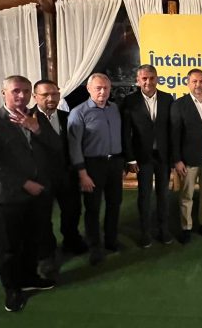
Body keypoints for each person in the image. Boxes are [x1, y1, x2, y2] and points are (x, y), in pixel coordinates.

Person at [0, 75, 60, 312]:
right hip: (8, 197)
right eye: (15, 91)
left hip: (38, 194)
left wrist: (36, 129)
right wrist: (24, 183)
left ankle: (30, 277)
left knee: (33, 240)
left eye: (25, 91)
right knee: (9, 247)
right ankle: (12, 289)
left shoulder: (36, 117)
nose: (21, 96)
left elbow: (56, 146)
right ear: (4, 93)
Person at [31, 80, 87, 275]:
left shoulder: (67, 116)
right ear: (35, 96)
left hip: (67, 175)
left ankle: (71, 240)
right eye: (45, 94)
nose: (50, 98)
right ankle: (47, 254)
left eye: (54, 94)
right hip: (40, 178)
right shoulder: (26, 119)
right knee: (42, 218)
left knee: (72, 211)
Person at [67, 73, 123, 265]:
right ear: (89, 89)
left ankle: (111, 241)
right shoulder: (78, 112)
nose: (102, 92)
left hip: (114, 163)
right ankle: (95, 247)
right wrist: (82, 173)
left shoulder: (114, 108)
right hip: (92, 165)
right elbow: (74, 146)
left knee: (114, 203)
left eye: (106, 88)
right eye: (98, 88)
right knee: (92, 208)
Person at [122, 65, 174, 248]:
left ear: (157, 79)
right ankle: (145, 232)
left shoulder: (168, 99)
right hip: (142, 158)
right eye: (144, 78)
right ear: (138, 80)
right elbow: (125, 133)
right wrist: (130, 159)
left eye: (151, 78)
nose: (148, 82)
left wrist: (173, 157)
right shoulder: (129, 101)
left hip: (163, 157)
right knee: (144, 196)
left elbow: (172, 130)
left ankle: (163, 229)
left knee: (163, 195)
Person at [171, 68, 202, 243]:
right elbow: (174, 134)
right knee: (187, 195)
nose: (198, 85)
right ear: (188, 83)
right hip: (188, 159)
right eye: (194, 81)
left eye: (201, 81)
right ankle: (186, 227)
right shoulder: (179, 104)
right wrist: (177, 160)